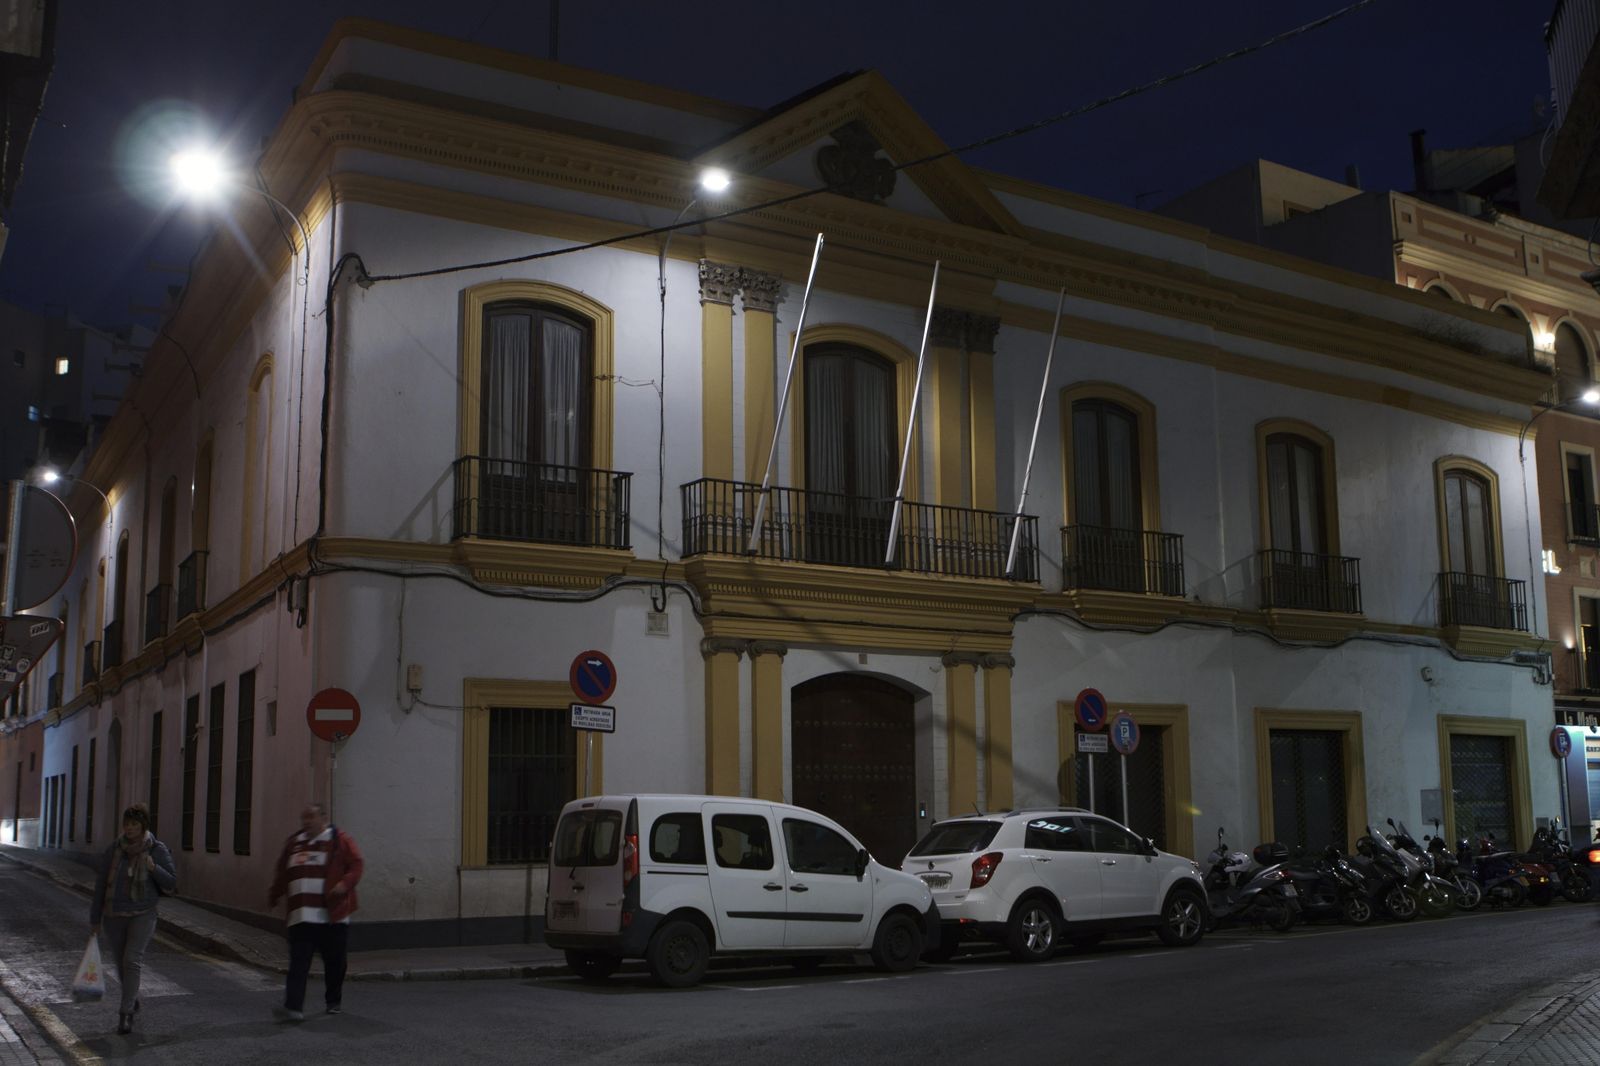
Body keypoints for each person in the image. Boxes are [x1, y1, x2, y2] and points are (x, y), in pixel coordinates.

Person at [267, 802, 364, 1021]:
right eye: (304, 818)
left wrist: (344, 885)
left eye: (311, 817)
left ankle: (333, 1001)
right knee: (298, 963)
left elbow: (357, 865)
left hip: (332, 917)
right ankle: (293, 1007)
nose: (306, 822)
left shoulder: (340, 841)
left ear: (323, 818)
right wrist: (275, 894)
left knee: (335, 962)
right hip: (301, 916)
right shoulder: (294, 843)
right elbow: (283, 871)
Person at [89, 803, 177, 1035]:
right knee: (121, 964)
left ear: (143, 826)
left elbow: (171, 882)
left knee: (131, 960)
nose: (129, 828)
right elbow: (100, 885)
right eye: (127, 824)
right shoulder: (113, 849)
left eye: (134, 824)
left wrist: (154, 868)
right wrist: (94, 918)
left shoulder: (156, 849)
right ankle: (132, 996)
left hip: (143, 914)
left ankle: (125, 1013)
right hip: (114, 914)